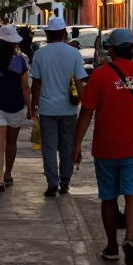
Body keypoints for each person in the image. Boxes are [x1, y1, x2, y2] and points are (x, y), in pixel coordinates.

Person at [73, 27, 133, 265]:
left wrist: (77, 144)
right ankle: (130, 239)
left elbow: (86, 114)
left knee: (109, 198)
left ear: (111, 50)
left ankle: (112, 246)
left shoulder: (100, 77)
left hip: (106, 149)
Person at [31, 14, 88, 198]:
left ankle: (52, 182)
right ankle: (65, 181)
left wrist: (33, 106)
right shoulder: (74, 53)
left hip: (47, 109)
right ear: (64, 33)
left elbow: (36, 85)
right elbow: (80, 82)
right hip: (69, 109)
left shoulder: (40, 54)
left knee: (48, 146)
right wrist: (84, 104)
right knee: (66, 145)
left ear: (48, 34)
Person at [0, 24, 32, 192]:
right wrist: (30, 108)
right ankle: (8, 173)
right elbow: (25, 88)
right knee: (11, 143)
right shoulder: (21, 61)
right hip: (16, 107)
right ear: (14, 43)